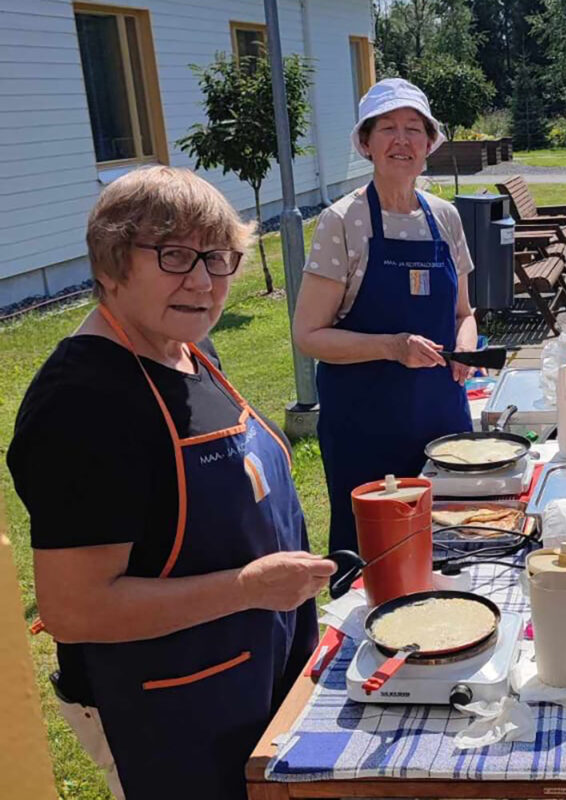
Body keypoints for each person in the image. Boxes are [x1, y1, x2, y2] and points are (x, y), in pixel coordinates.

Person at [7, 167, 335, 800]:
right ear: (110, 264)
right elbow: (74, 610)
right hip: (169, 713)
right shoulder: (84, 401)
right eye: (174, 255)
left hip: (255, 679)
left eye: (218, 258)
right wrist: (246, 589)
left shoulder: (184, 349)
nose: (204, 281)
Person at [293, 78, 477, 554]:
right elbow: (308, 334)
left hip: (443, 423)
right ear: (367, 143)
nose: (402, 140)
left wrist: (468, 344)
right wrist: (391, 347)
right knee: (374, 559)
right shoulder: (342, 221)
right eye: (388, 128)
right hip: (366, 429)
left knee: (453, 546)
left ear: (429, 143)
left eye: (414, 129)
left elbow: (464, 313)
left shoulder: (445, 217)